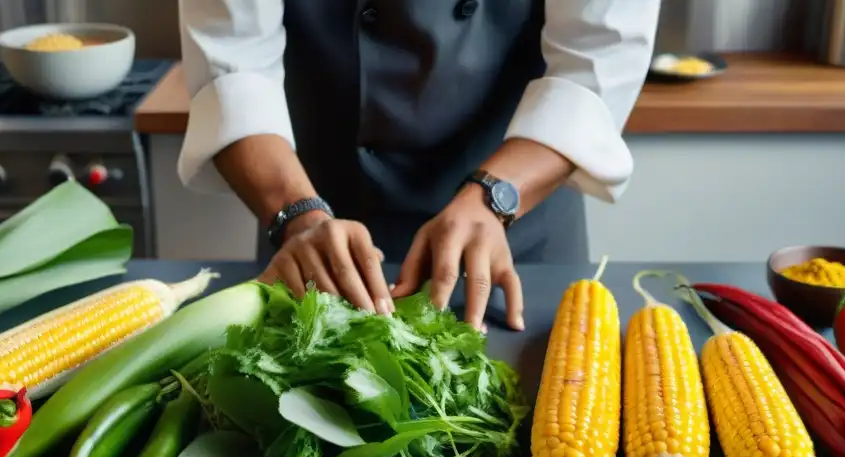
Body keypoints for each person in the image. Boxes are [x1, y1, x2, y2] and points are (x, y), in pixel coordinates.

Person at [178, 0, 659, 330]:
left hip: (519, 227)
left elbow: (598, 53)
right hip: (310, 220)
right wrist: (297, 216)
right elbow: (231, 60)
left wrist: (494, 199)